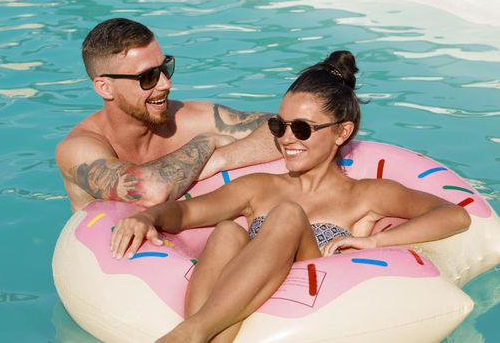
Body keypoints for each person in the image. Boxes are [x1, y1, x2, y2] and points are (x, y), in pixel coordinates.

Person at [110, 50, 471, 343]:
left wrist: (376, 241)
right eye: (278, 125)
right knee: (227, 232)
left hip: (309, 304)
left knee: (287, 215)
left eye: (301, 128)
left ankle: (191, 334)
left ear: (342, 132)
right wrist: (147, 216)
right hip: (244, 304)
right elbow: (188, 215)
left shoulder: (366, 195)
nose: (286, 138)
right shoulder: (259, 186)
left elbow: (455, 216)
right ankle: (201, 335)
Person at [55, 18, 280, 211]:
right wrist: (205, 142)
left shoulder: (194, 117)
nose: (166, 83)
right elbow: (148, 191)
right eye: (148, 77)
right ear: (105, 87)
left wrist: (220, 159)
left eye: (165, 67)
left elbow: (290, 126)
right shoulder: (78, 149)